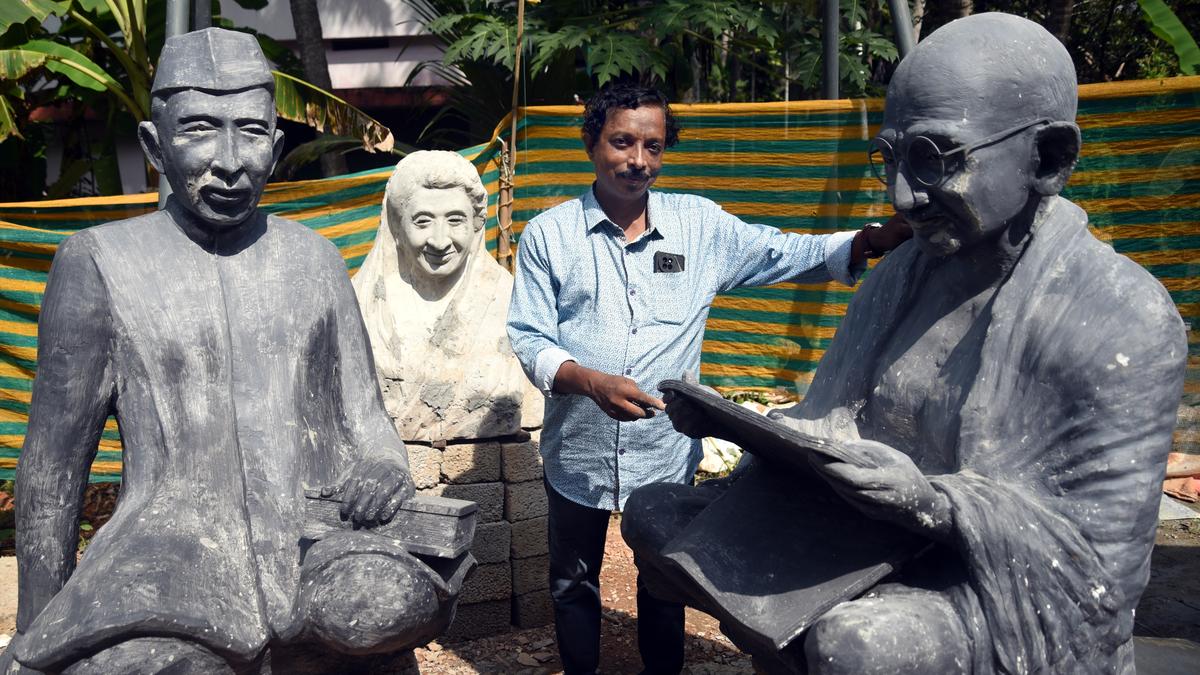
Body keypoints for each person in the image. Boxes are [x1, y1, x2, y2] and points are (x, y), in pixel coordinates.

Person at [622, 13, 1188, 674]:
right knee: (655, 513)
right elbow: (825, 421)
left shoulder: (1123, 317)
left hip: (977, 588)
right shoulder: (901, 275)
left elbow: (1100, 573)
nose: (902, 195)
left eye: (935, 159)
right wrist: (752, 433)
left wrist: (937, 505)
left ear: (1049, 158)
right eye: (890, 158)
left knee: (857, 646)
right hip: (848, 536)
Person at [8, 29, 466, 675]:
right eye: (199, 128)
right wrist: (35, 631)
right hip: (168, 566)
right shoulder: (100, 261)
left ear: (275, 147)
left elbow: (367, 421)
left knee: (381, 616)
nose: (230, 160)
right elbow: (53, 464)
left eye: (250, 131)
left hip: (314, 556)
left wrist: (384, 466)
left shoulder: (312, 259)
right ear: (154, 144)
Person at [505, 82, 910, 674]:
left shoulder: (701, 227)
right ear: (592, 142)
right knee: (573, 579)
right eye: (621, 142)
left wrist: (870, 240)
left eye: (653, 146)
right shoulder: (549, 236)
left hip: (665, 450)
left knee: (664, 582)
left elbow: (781, 252)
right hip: (579, 452)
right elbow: (530, 336)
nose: (637, 161)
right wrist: (592, 382)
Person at [352, 150, 542, 444]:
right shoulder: (359, 305)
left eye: (455, 220)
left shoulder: (510, 302)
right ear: (397, 226)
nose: (440, 241)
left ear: (477, 224)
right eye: (423, 221)